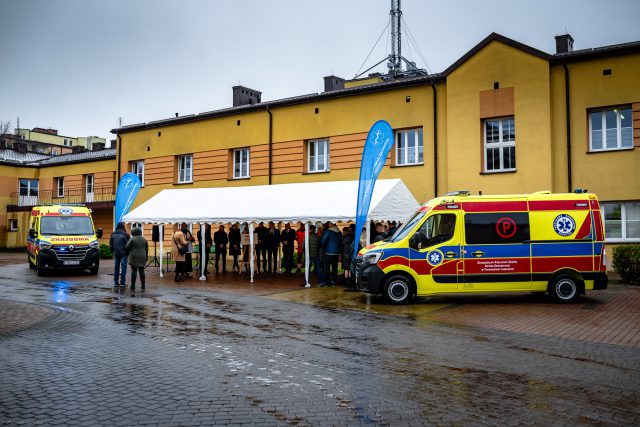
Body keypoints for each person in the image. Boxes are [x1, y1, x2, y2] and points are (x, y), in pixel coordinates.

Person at [319, 221, 342, 286]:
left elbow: (323, 241)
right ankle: (334, 281)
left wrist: (322, 248)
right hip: (337, 252)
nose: (328, 225)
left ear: (331, 224)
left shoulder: (328, 231)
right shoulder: (339, 232)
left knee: (326, 267)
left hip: (328, 252)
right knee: (335, 267)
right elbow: (341, 241)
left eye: (329, 223)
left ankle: (325, 281)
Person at [125, 226, 148, 291]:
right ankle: (143, 285)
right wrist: (146, 257)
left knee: (134, 270)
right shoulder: (144, 239)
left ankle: (133, 286)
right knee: (142, 271)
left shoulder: (132, 239)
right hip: (142, 256)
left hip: (134, 256)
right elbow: (146, 249)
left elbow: (127, 247)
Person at [110, 222, 130, 291]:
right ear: (123, 226)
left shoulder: (113, 234)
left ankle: (116, 282)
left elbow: (111, 244)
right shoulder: (126, 234)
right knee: (124, 268)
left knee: (116, 268)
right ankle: (122, 282)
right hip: (124, 253)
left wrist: (111, 252)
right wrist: (127, 253)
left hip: (116, 253)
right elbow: (128, 245)